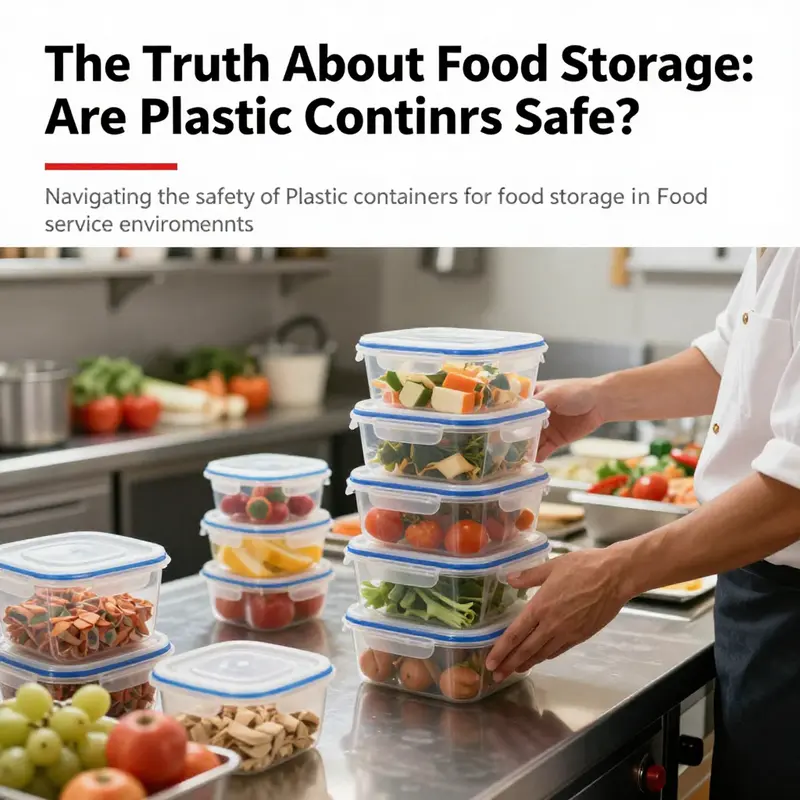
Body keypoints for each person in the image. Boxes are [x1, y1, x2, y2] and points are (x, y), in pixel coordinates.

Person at [486, 247, 800, 798]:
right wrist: (602, 398)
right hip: (756, 591)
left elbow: (794, 489)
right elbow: (735, 354)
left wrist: (619, 571)